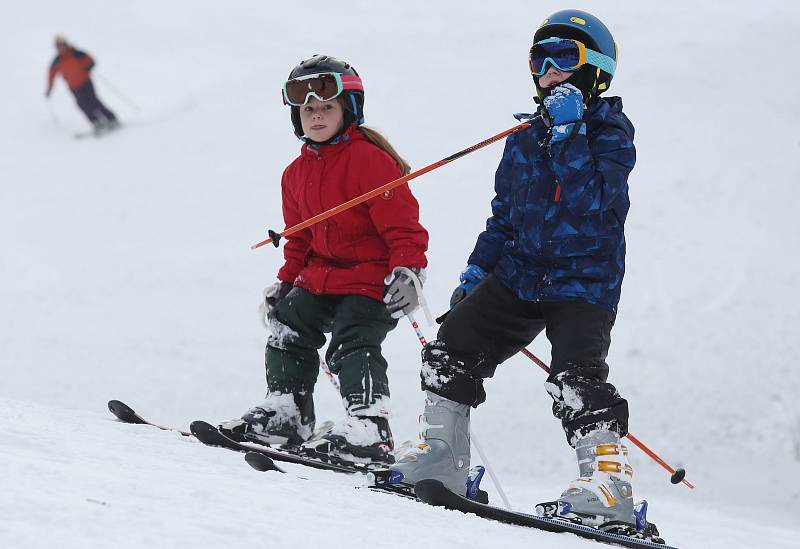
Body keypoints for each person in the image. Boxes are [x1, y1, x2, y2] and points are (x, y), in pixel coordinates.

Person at [390, 9, 642, 529]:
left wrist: (571, 132)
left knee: (576, 377)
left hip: (583, 281)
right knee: (450, 349)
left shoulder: (609, 132)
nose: (549, 69)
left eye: (564, 58)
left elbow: (593, 200)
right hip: (521, 275)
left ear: (596, 70)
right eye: (539, 59)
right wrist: (477, 273)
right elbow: (503, 217)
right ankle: (443, 457)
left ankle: (607, 485)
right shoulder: (523, 139)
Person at [219, 55, 429, 465]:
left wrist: (409, 271)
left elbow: (403, 227)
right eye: (308, 109)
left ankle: (370, 426)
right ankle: (287, 413)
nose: (316, 115)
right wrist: (285, 281)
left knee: (352, 338)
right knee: (289, 322)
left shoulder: (371, 161)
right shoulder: (295, 173)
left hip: (373, 281)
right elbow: (299, 237)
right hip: (322, 278)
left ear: (347, 110)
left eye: (326, 107)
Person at [45, 35, 119, 134]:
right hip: (73, 87)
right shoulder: (57, 60)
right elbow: (51, 74)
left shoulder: (77, 53)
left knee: (94, 101)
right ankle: (96, 122)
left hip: (85, 82)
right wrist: (49, 88)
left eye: (62, 45)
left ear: (66, 44)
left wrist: (89, 67)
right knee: (82, 104)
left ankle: (111, 119)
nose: (60, 48)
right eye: (58, 46)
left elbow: (91, 60)